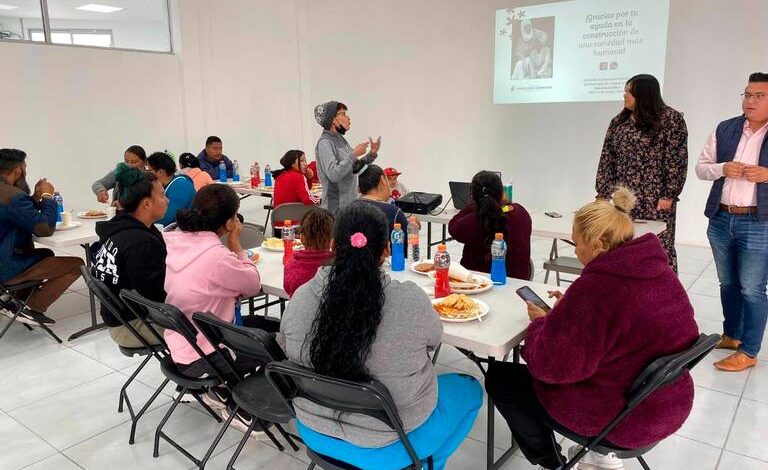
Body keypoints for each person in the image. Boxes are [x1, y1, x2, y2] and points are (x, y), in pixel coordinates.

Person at [485, 187, 699, 470]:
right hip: (667, 403)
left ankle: (552, 461)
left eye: (576, 244)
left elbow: (551, 367)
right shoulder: (658, 271)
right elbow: (619, 326)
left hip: (624, 419)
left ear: (598, 243)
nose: (575, 251)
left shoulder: (600, 287)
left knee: (502, 379)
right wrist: (572, 310)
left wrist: (539, 324)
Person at [280, 203, 482, 470]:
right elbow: (434, 342)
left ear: (331, 244)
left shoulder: (301, 296)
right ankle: (430, 463)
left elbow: (285, 346)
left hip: (314, 432)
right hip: (390, 447)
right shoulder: (410, 299)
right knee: (470, 389)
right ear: (387, 248)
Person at [164, 184, 279, 425]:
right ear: (229, 223)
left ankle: (223, 390)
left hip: (180, 345)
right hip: (206, 354)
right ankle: (244, 411)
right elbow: (252, 284)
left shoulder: (172, 240)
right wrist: (236, 245)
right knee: (278, 346)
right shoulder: (217, 256)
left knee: (265, 325)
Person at [695, 72, 768, 372]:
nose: (750, 101)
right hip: (722, 217)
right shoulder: (725, 129)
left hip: (758, 221)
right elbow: (701, 169)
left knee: (752, 288)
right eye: (747, 94)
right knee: (728, 283)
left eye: (759, 96)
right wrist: (723, 168)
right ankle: (732, 336)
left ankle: (749, 351)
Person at [595, 74, 688, 272]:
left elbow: (676, 160)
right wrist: (602, 192)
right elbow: (607, 158)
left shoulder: (671, 119)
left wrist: (669, 194)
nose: (625, 95)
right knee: (622, 245)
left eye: (630, 92)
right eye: (626, 91)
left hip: (655, 199)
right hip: (623, 200)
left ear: (645, 95)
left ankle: (661, 295)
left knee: (655, 248)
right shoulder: (619, 122)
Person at [0, 148, 83, 325]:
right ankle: (32, 307)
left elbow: (14, 214)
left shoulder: (8, 195)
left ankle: (14, 300)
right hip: (5, 267)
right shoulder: (11, 196)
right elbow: (44, 228)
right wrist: (47, 196)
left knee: (46, 255)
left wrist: (35, 199)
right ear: (18, 170)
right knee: (77, 264)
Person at [92, 164, 168, 348]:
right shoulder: (140, 242)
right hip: (133, 326)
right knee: (213, 327)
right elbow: (157, 297)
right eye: (162, 195)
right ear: (147, 203)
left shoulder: (120, 226)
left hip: (122, 317)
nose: (167, 200)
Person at [448, 171, 532, 280]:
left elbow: (453, 226)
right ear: (502, 192)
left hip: (477, 283)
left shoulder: (473, 220)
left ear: (473, 195)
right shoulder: (521, 212)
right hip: (518, 284)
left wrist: (474, 205)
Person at [314, 101, 381, 213]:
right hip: (335, 209)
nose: (348, 118)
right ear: (333, 119)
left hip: (348, 206)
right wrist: (354, 154)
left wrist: (371, 155)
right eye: (343, 114)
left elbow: (353, 168)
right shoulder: (325, 143)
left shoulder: (341, 140)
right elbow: (333, 174)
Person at [351, 160, 408, 258]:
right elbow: (401, 253)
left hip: (352, 269)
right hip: (383, 269)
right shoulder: (394, 213)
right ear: (383, 180)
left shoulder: (348, 209)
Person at [283, 207, 334, 297]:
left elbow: (287, 288)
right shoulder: (337, 266)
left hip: (299, 309)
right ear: (332, 240)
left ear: (302, 237)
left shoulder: (291, 265)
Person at [146, 152, 196, 226]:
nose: (147, 173)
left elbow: (166, 217)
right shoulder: (168, 185)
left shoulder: (181, 186)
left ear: (160, 172)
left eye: (149, 171)